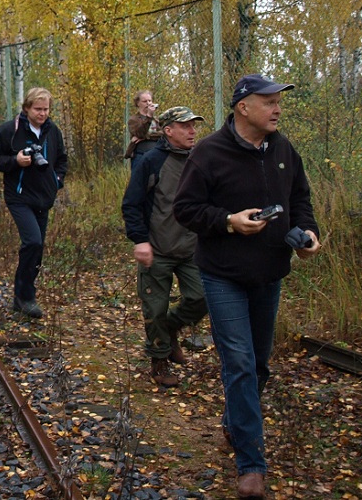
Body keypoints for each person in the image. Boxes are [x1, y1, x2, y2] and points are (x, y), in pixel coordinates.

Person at [174, 73, 321, 499]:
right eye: (269, 101)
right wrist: (228, 221)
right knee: (238, 362)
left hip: (269, 273)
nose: (277, 108)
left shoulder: (282, 149)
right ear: (243, 106)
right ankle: (251, 465)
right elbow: (186, 209)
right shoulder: (209, 152)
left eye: (279, 101)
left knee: (258, 365)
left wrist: (308, 235)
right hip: (222, 275)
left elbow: (299, 199)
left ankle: (235, 422)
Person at [121, 106, 209, 388]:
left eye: (194, 126)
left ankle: (170, 330)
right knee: (155, 309)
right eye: (186, 126)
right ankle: (158, 362)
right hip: (157, 249)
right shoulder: (151, 160)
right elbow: (132, 204)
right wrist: (141, 241)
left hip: (192, 249)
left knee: (201, 298)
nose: (192, 131)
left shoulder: (201, 160)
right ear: (168, 131)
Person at [0, 87, 68, 319]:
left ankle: (21, 296)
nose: (42, 114)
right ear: (27, 108)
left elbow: (62, 159)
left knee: (37, 250)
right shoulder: (11, 131)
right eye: (38, 109)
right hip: (18, 196)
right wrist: (15, 161)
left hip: (44, 197)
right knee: (32, 241)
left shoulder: (53, 132)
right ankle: (26, 297)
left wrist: (57, 181)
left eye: (46, 109)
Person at [124, 90, 161, 170]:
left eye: (150, 100)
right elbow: (140, 133)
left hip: (156, 154)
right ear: (138, 103)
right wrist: (149, 116)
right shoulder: (133, 120)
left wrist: (146, 137)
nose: (148, 103)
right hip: (140, 155)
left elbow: (164, 134)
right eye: (144, 101)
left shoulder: (156, 120)